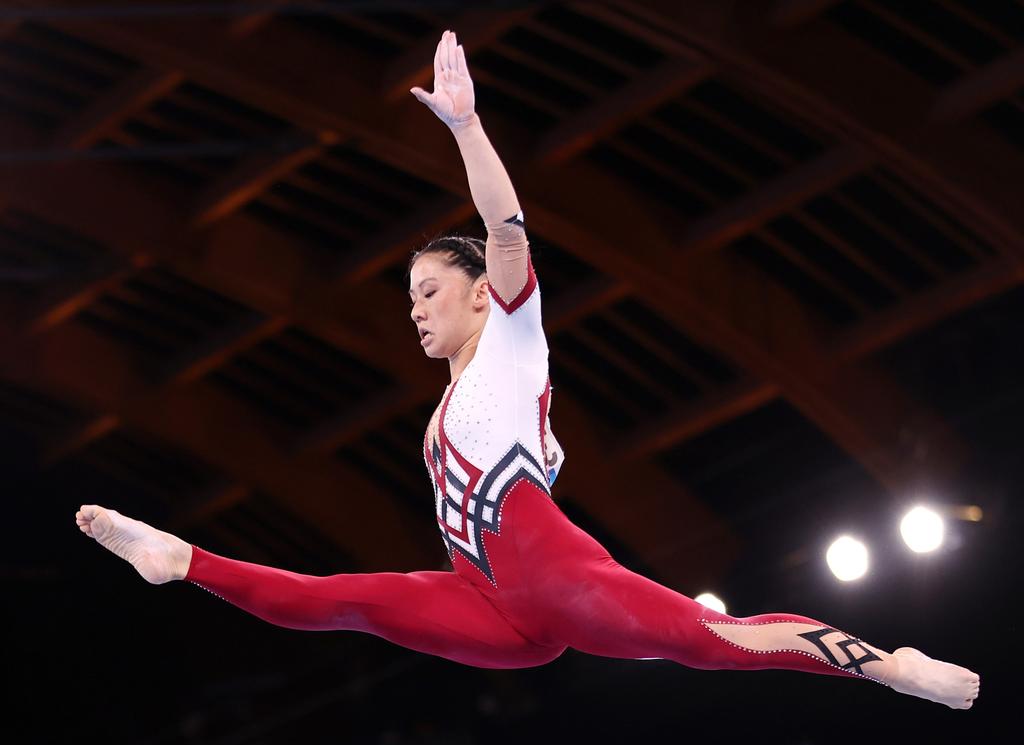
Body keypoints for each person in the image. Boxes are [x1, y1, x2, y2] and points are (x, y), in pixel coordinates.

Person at [76, 30, 979, 710]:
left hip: (556, 579)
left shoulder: (513, 339)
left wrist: (468, 127)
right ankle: (181, 560)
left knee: (715, 639)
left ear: (480, 296)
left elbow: (506, 228)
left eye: (431, 289)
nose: (417, 308)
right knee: (341, 602)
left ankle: (890, 665)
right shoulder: (451, 403)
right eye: (409, 296)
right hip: (488, 609)